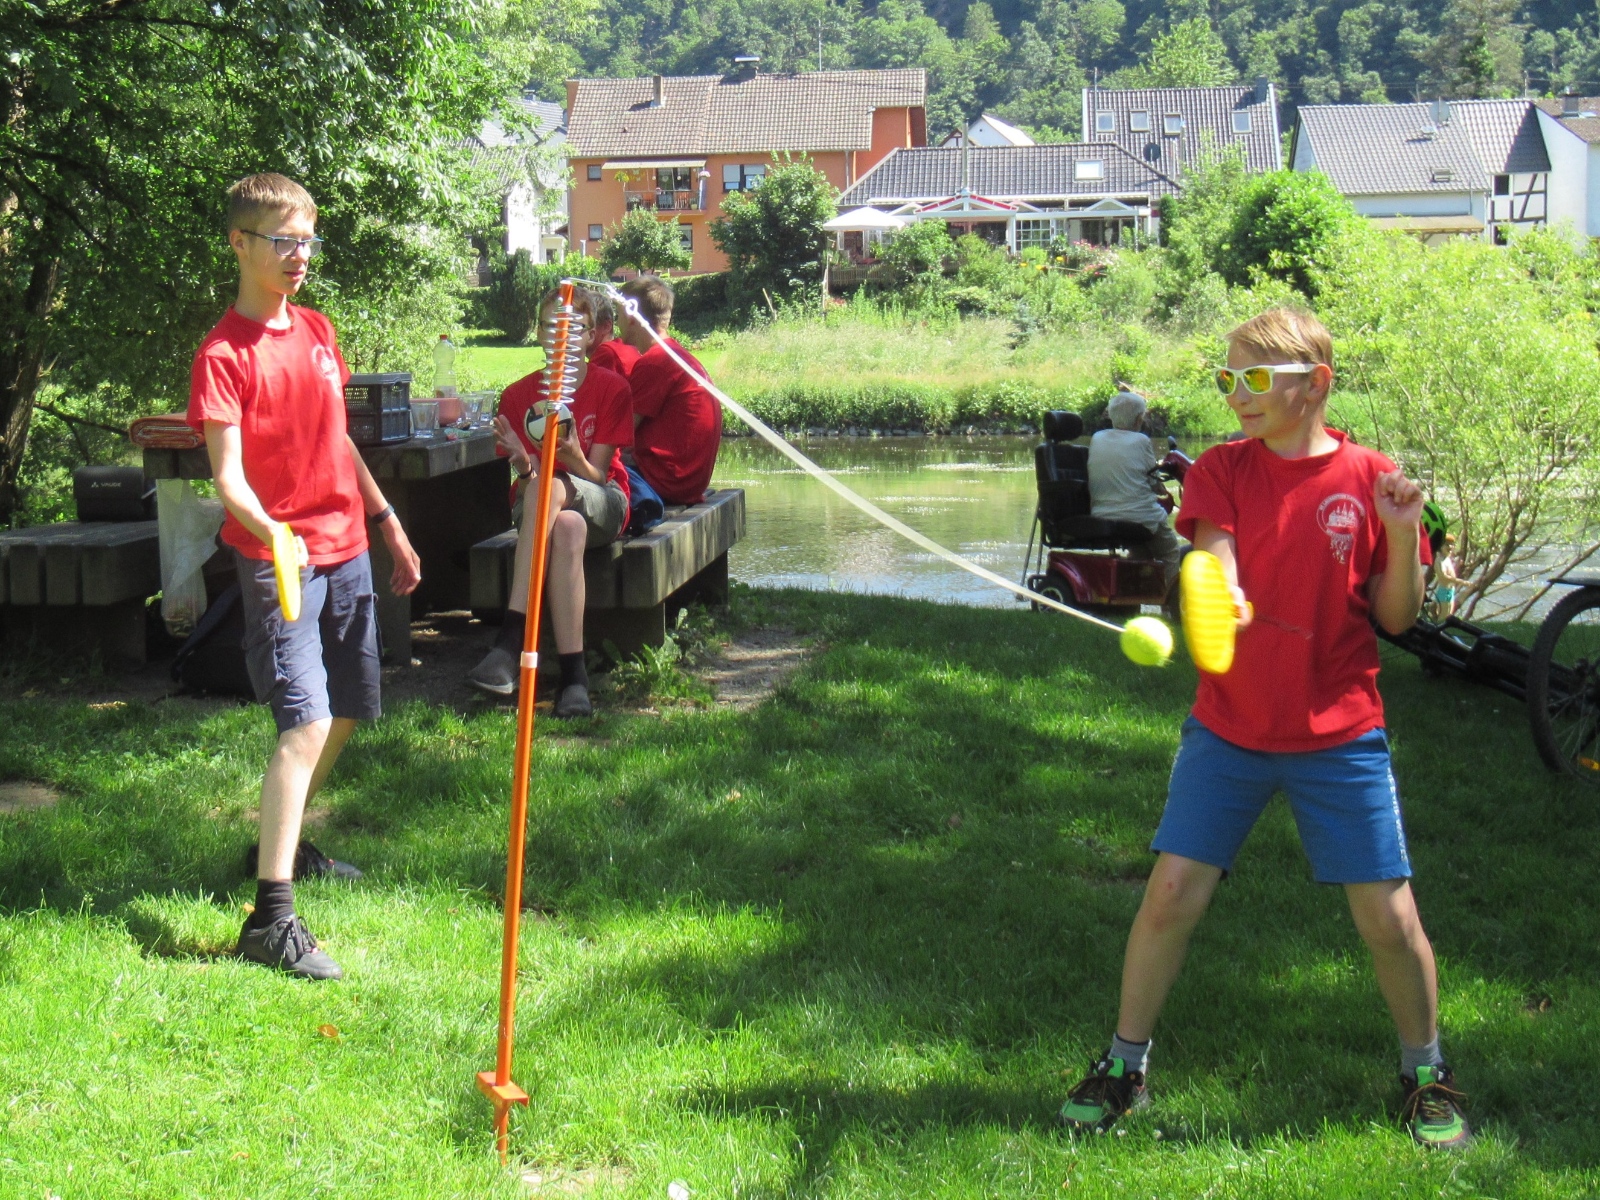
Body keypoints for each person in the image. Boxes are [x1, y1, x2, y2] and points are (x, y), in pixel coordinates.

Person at [1059, 308, 1470, 1151]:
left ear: (1314, 384)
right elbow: (1215, 556)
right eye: (1227, 379)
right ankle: (1124, 1064)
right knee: (1171, 894)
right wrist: (1219, 590)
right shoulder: (1223, 469)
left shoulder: (1369, 475)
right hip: (1231, 728)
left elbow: (1397, 618)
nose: (1236, 395)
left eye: (1255, 380)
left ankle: (1426, 1073)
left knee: (1389, 918)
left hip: (1341, 731)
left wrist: (1400, 531)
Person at [189, 173, 422, 981]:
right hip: (275, 557)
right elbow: (229, 481)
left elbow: (339, 440)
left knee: (351, 707)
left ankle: (279, 843)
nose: (299, 256)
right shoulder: (223, 354)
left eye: (307, 240)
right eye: (283, 240)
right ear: (241, 244)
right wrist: (273, 535)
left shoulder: (318, 329)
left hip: (348, 543)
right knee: (304, 723)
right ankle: (271, 918)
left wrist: (387, 521)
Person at [467, 286, 633, 715]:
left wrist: (573, 455)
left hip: (602, 499)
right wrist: (525, 466)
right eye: (550, 326)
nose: (559, 337)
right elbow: (528, 487)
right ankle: (574, 678)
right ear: (538, 333)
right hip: (542, 505)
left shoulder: (610, 388)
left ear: (590, 336)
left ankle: (509, 639)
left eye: (571, 328)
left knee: (557, 489)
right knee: (566, 524)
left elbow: (599, 475)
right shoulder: (519, 396)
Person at [616, 276, 721, 530]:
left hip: (668, 481)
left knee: (586, 469)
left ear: (631, 316)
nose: (617, 321)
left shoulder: (655, 362)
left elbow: (619, 436)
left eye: (617, 313)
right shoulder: (679, 356)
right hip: (691, 481)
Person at [1086, 389, 1182, 588]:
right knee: (1171, 551)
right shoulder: (1141, 441)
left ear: (1111, 415)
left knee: (1140, 553)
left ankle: (1132, 597)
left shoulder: (1097, 438)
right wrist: (1164, 491)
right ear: (1139, 419)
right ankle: (1171, 604)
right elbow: (1153, 481)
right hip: (1139, 516)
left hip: (1102, 513)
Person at [587, 290, 640, 379]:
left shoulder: (607, 353)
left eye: (582, 325)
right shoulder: (620, 348)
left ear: (606, 326)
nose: (571, 331)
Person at [1429, 534, 1464, 621]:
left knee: (1448, 615)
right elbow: (1444, 577)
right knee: (1443, 617)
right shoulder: (1439, 560)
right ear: (1440, 546)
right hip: (1444, 592)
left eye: (1452, 544)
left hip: (1450, 591)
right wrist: (1462, 582)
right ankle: (1438, 633)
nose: (1450, 547)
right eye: (1447, 544)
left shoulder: (1447, 559)